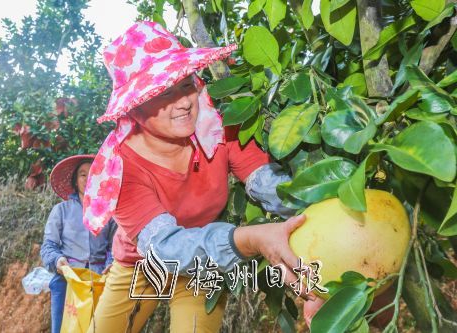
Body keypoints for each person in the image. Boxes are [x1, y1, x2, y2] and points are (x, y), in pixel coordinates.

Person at [83, 21, 323, 333]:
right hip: (140, 265)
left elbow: (273, 187)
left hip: (205, 261)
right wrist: (250, 239)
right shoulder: (120, 170)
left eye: (185, 85)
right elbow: (164, 248)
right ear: (136, 110)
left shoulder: (219, 128)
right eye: (163, 93)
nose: (183, 102)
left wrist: (324, 212)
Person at [40, 155, 117, 333]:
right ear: (75, 181)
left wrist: (110, 264)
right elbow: (48, 246)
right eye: (83, 174)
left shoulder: (109, 214)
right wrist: (58, 260)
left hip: (99, 281)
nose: (87, 178)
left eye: (92, 173)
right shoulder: (61, 210)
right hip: (67, 279)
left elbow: (115, 246)